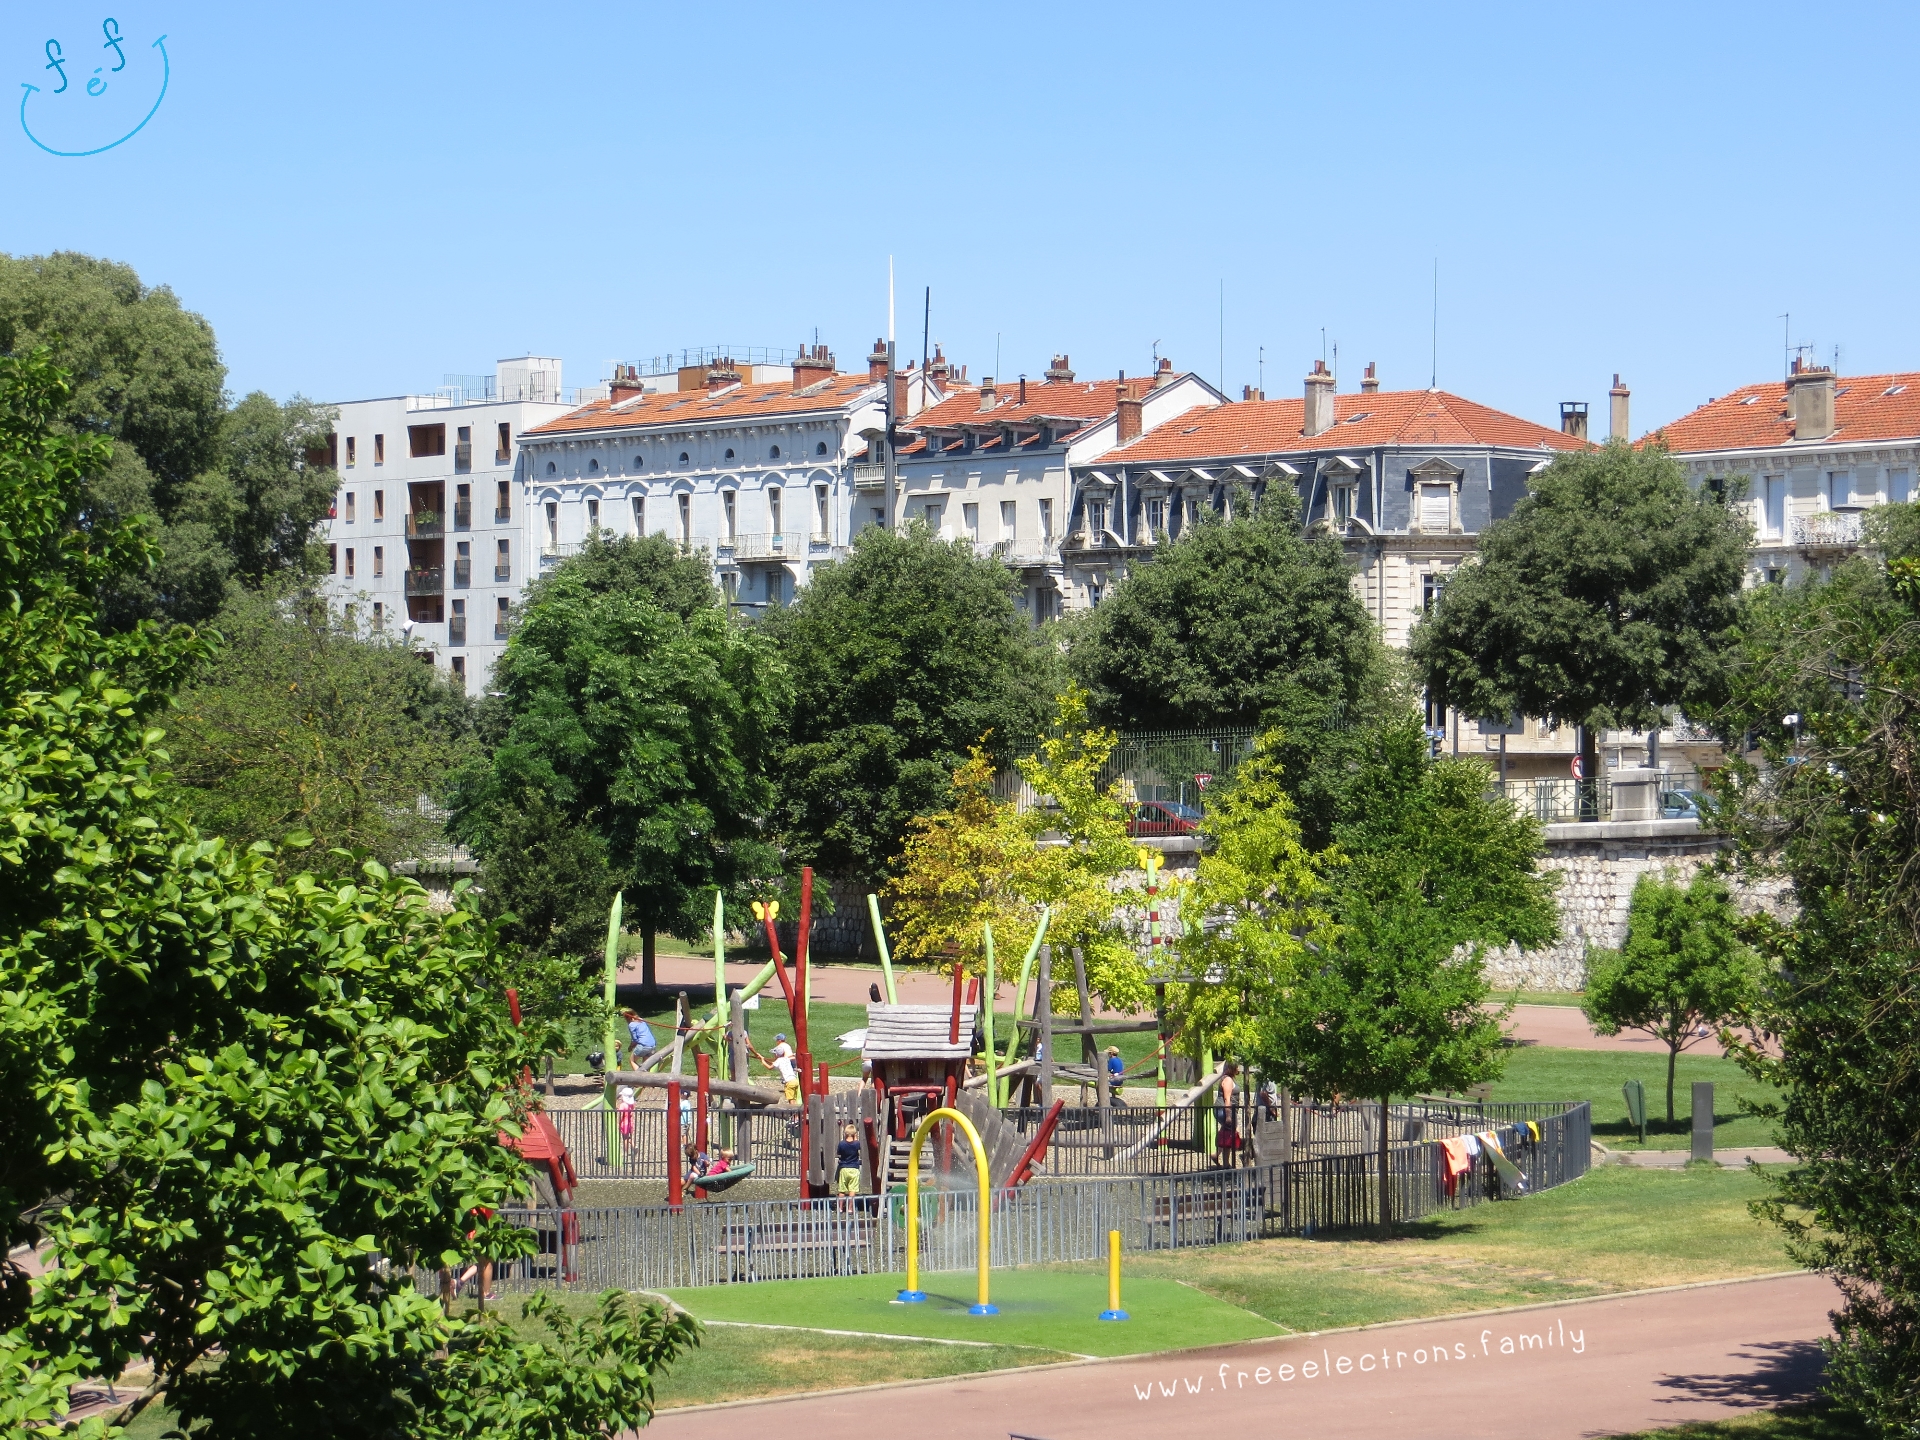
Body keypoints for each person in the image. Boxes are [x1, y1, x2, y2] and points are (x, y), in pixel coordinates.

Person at [834, 1124, 863, 1206]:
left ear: (845, 1133)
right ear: (854, 1134)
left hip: (844, 1168)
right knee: (852, 1190)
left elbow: (839, 1153)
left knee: (842, 1190)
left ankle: (840, 1207)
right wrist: (855, 1136)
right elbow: (857, 1144)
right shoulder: (856, 1143)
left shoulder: (842, 1144)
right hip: (854, 1168)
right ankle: (850, 1208)